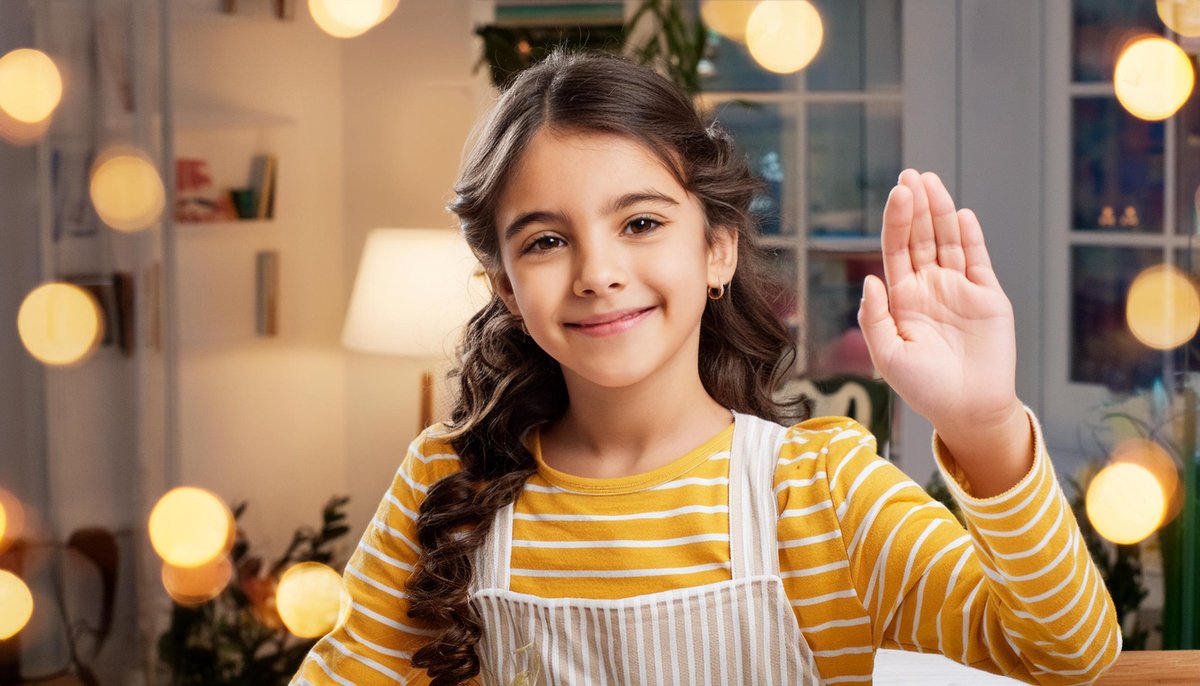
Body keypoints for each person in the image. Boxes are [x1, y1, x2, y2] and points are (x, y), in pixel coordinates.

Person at [292, 51, 1120, 685]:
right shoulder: (447, 481)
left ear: (717, 248)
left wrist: (985, 428)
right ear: (506, 288)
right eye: (546, 241)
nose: (597, 271)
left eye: (642, 222)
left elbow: (1064, 654)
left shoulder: (819, 491)